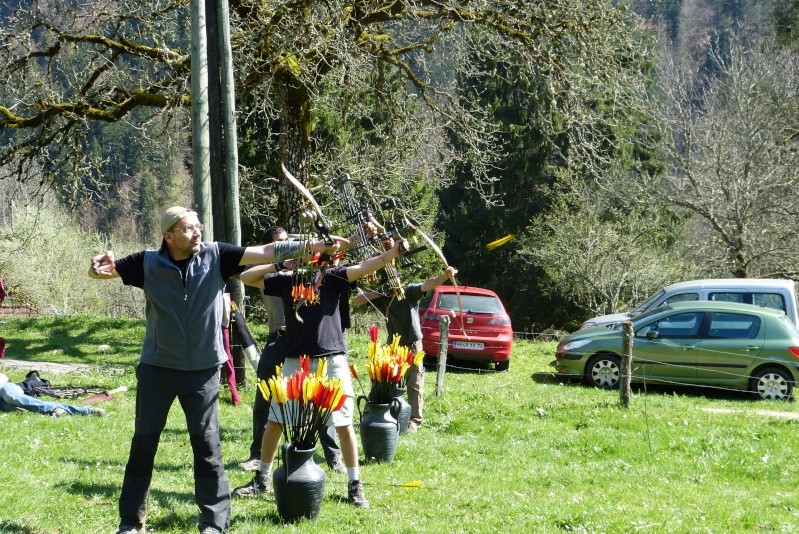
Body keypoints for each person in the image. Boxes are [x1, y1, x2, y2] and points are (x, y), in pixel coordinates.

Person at [88, 206, 345, 534]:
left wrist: (311, 248)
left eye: (198, 226)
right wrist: (96, 269)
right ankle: (130, 522)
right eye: (188, 229)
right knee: (143, 445)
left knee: (207, 447)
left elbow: (264, 251)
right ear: (169, 236)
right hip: (157, 369)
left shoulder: (217, 256)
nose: (197, 233)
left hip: (203, 371)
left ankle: (214, 524)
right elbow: (105, 272)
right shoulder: (147, 263)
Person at [233, 232, 410, 509]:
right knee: (276, 421)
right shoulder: (287, 279)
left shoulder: (333, 277)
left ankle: (354, 484)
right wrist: (279, 264)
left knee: (343, 424)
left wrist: (393, 253)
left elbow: (365, 267)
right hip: (295, 361)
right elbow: (246, 277)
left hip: (332, 361)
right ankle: (262, 479)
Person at [237, 226, 344, 476]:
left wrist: (323, 251)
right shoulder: (271, 273)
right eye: (280, 244)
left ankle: (334, 456)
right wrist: (280, 264)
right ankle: (257, 455)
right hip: (280, 339)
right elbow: (247, 275)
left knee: (321, 397)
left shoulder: (306, 272)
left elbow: (335, 260)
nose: (287, 247)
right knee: (265, 396)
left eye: (289, 242)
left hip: (309, 343)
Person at [353, 265, 458, 433]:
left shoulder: (409, 291)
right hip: (393, 345)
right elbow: (357, 300)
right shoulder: (383, 297)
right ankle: (372, 415)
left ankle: (414, 421)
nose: (395, 283)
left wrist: (445, 275)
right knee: (382, 379)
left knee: (414, 382)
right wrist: (382, 293)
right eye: (390, 281)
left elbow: (429, 284)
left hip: (412, 343)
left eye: (396, 279)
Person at [0, 373, 106, 417]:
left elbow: (3, 378)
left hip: (3, 387)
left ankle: (85, 410)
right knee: (17, 408)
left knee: (12, 397)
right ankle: (56, 410)